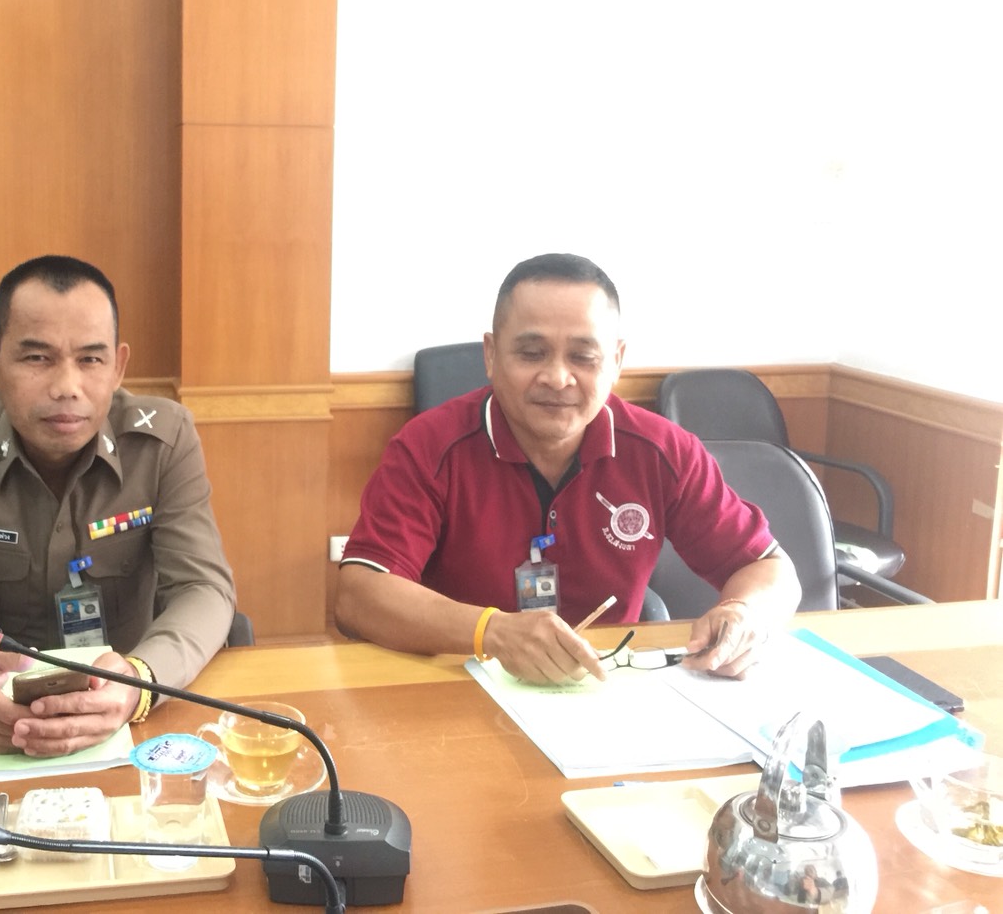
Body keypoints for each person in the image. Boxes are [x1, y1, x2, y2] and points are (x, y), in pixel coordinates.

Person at [336, 252, 800, 684]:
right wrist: (492, 631)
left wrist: (746, 614)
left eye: (583, 357)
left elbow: (770, 570)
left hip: (608, 686)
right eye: (531, 353)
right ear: (491, 355)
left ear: (616, 361)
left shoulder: (664, 452)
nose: (558, 378)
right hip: (462, 685)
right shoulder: (428, 446)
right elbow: (359, 594)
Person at [0, 255, 237, 756]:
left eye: (90, 360)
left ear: (118, 367)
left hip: (125, 714)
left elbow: (205, 587)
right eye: (37, 358)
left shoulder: (163, 441)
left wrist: (139, 681)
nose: (66, 387)